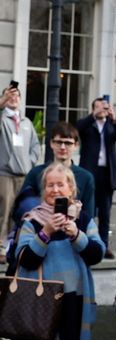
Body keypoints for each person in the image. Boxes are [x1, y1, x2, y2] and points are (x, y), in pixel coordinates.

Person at [14, 162, 104, 340]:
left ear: (71, 188)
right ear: (43, 190)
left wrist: (76, 235)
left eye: (60, 184)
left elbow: (97, 254)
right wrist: (45, 233)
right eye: (50, 185)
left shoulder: (83, 219)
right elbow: (25, 260)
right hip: (42, 298)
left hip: (76, 297)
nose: (55, 190)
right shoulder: (32, 221)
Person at [76, 96, 116, 258]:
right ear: (93, 109)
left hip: (107, 173)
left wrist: (114, 118)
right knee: (87, 209)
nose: (101, 110)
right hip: (90, 172)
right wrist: (93, 115)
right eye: (98, 107)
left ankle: (104, 245)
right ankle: (85, 241)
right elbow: (77, 128)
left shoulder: (111, 126)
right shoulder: (88, 125)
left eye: (104, 107)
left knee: (105, 212)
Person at [17, 122, 95, 227]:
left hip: (72, 232)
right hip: (37, 230)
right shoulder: (36, 173)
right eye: (58, 142)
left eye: (68, 143)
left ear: (76, 145)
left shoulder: (86, 177)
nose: (62, 147)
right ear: (51, 143)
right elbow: (20, 208)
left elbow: (89, 214)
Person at [0, 83, 40, 264]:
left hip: (23, 176)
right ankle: (1, 248)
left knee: (21, 212)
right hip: (5, 174)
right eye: (10, 95)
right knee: (4, 212)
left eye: (17, 95)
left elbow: (35, 146)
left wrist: (28, 164)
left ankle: (14, 246)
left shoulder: (26, 123)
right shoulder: (2, 119)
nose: (14, 98)